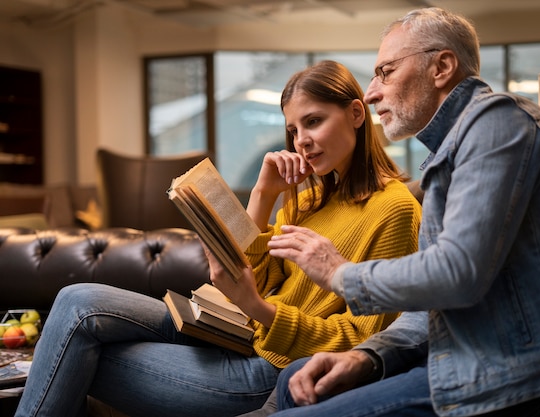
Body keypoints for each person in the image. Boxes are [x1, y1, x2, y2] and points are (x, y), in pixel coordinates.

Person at [265, 7, 540, 417]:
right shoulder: (450, 153)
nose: (370, 92)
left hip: (533, 379)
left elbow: (458, 273)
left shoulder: (499, 122)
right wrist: (369, 356)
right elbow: (433, 304)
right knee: (294, 382)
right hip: (480, 362)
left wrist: (338, 273)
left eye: (385, 71)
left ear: (442, 67)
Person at [14, 60, 422, 417]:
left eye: (313, 121)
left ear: (355, 114)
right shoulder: (309, 198)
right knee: (75, 300)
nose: (301, 140)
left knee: (70, 357)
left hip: (268, 367)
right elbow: (258, 280)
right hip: (232, 331)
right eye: (293, 129)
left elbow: (361, 342)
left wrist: (257, 308)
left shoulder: (395, 210)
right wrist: (263, 195)